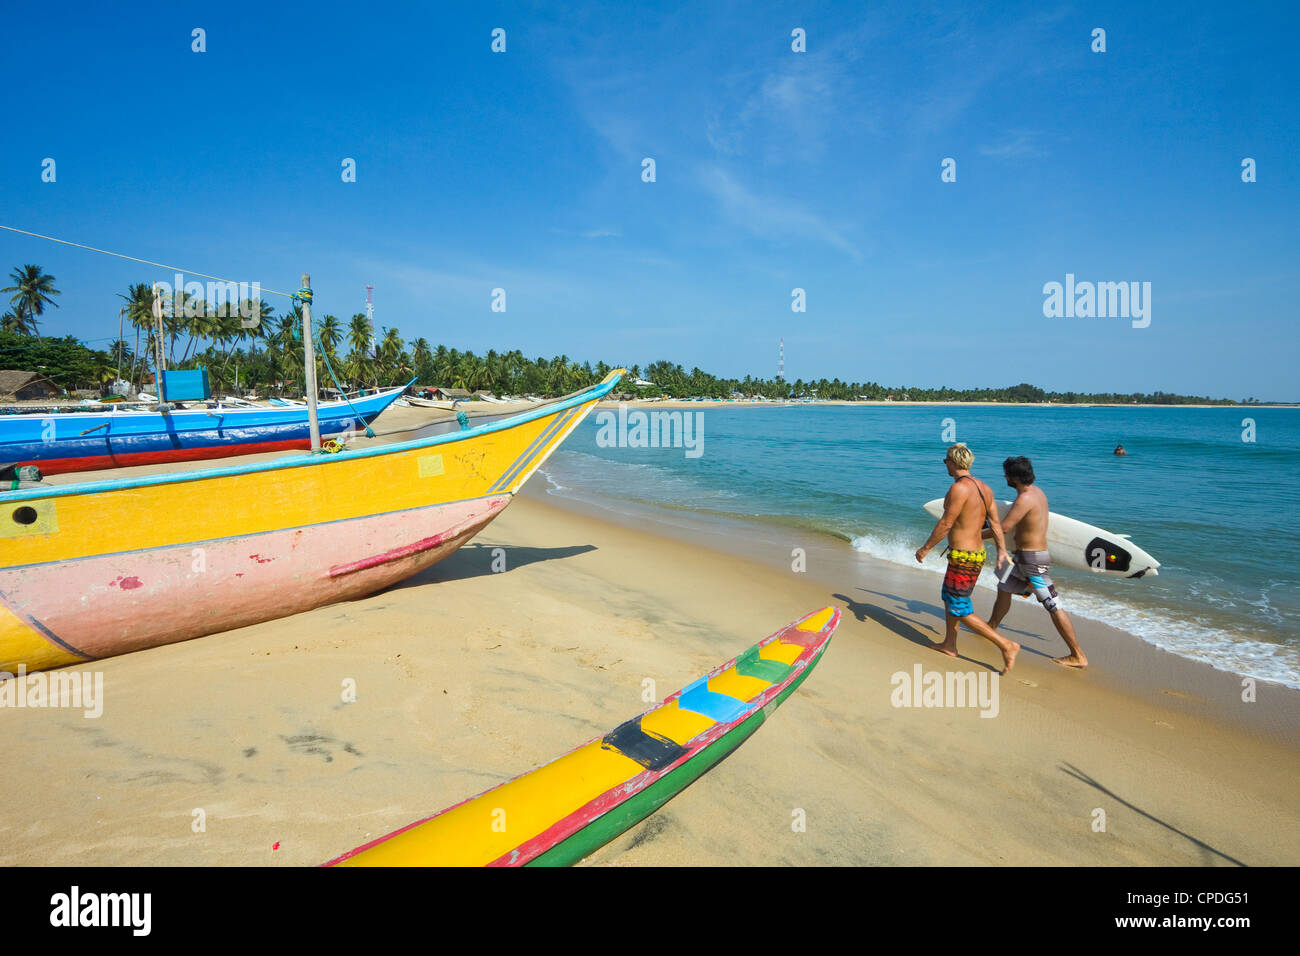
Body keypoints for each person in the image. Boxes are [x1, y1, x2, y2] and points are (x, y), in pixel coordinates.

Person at [915, 443, 1019, 673]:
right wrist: (1001, 550)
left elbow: (946, 523)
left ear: (952, 462)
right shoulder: (985, 488)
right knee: (949, 598)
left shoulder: (959, 489)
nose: (945, 465)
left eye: (946, 461)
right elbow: (997, 526)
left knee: (959, 607)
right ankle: (950, 644)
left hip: (964, 557)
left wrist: (926, 548)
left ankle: (1006, 645)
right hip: (976, 555)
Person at [986, 457, 1088, 668]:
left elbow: (1004, 528)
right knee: (1004, 587)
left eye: (1006, 474)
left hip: (1033, 562)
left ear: (1014, 477)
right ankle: (991, 627)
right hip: (1025, 559)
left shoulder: (1024, 499)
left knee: (1052, 603)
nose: (1004, 476)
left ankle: (1078, 655)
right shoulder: (1038, 492)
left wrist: (972, 535)